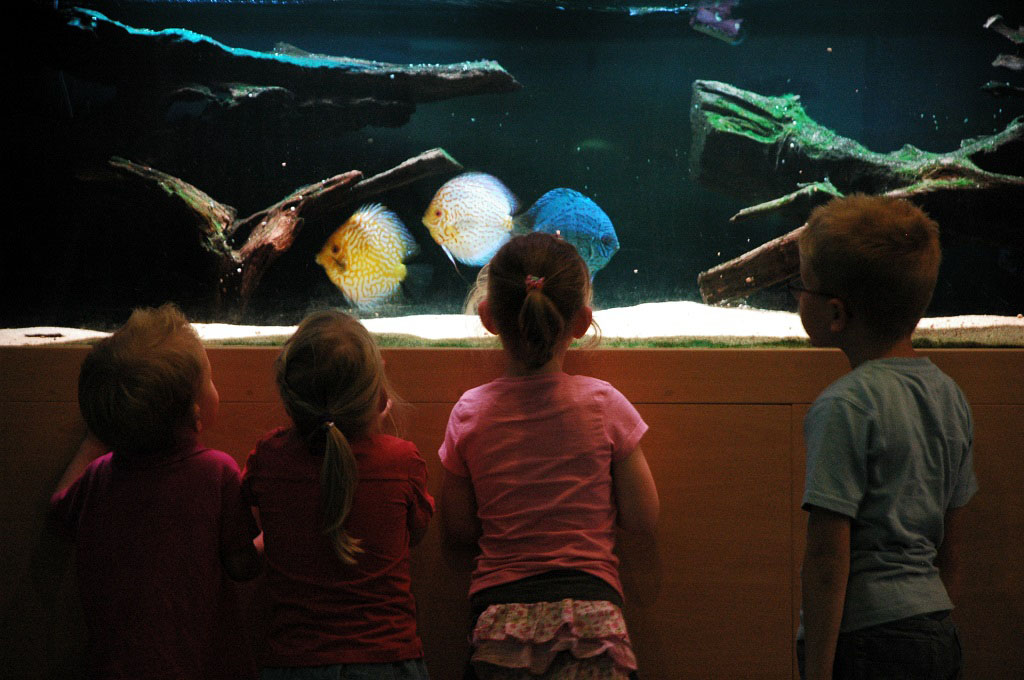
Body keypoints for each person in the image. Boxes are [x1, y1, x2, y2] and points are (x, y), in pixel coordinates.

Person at [439, 232, 660, 680]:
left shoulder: (469, 412)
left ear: (488, 317)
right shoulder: (605, 405)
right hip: (592, 622)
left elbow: (459, 527)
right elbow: (643, 517)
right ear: (582, 322)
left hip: (500, 625)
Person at [792, 195, 977, 680]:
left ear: (835, 314)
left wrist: (817, 670)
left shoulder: (843, 406)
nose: (795, 298)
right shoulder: (950, 396)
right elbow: (952, 544)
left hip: (865, 640)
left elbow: (828, 556)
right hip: (935, 630)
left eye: (801, 288)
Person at [49, 303, 261, 680]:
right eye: (210, 379)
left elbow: (59, 510)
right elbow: (243, 564)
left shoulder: (98, 478)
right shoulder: (216, 472)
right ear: (196, 411)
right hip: (200, 665)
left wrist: (98, 436)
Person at [242, 310, 434, 680]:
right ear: (379, 400)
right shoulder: (402, 460)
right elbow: (416, 533)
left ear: (289, 399)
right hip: (389, 662)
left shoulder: (268, 458)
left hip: (292, 664)